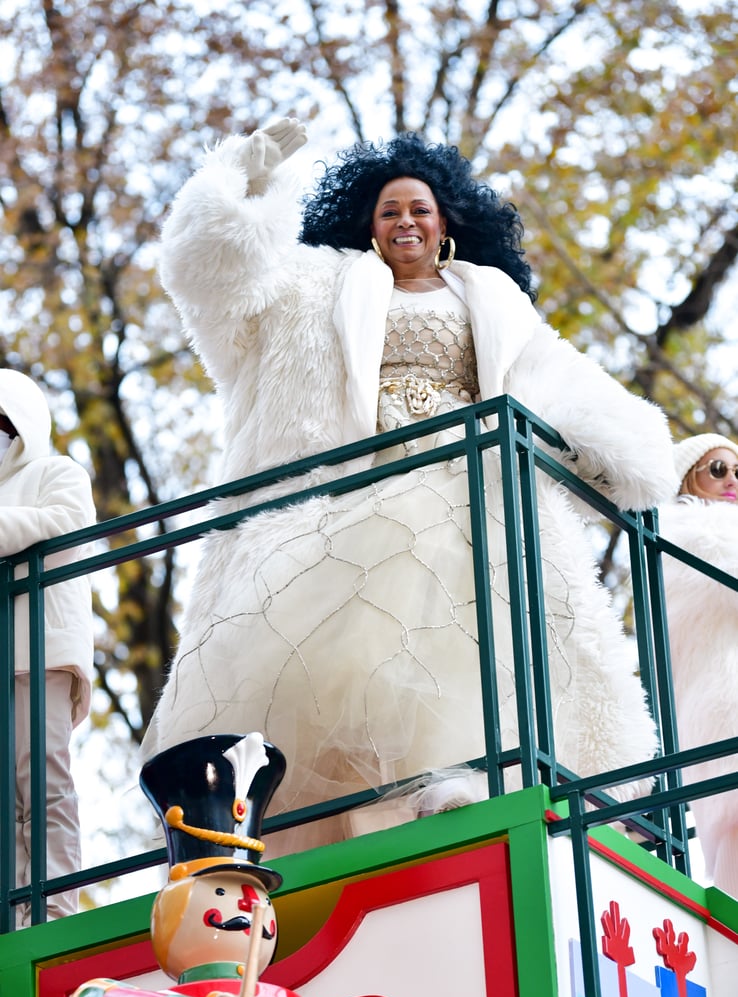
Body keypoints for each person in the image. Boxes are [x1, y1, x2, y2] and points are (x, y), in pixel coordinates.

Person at [141, 118, 678, 852]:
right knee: (372, 647)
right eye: (389, 209)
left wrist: (631, 452)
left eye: (419, 208)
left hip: (475, 477)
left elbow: (563, 385)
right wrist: (240, 185)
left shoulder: (493, 301)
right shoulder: (320, 284)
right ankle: (402, 791)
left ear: (446, 224)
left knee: (493, 619)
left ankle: (471, 774)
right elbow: (218, 284)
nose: (405, 221)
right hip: (368, 482)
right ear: (369, 225)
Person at [0, 369, 95, 923]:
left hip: (41, 652)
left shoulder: (56, 472)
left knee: (43, 782)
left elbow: (66, 523)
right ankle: (14, 915)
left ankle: (56, 908)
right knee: (8, 797)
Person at [659, 433, 738, 898]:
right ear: (689, 476)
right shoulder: (692, 530)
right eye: (718, 469)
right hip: (723, 698)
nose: (731, 480)